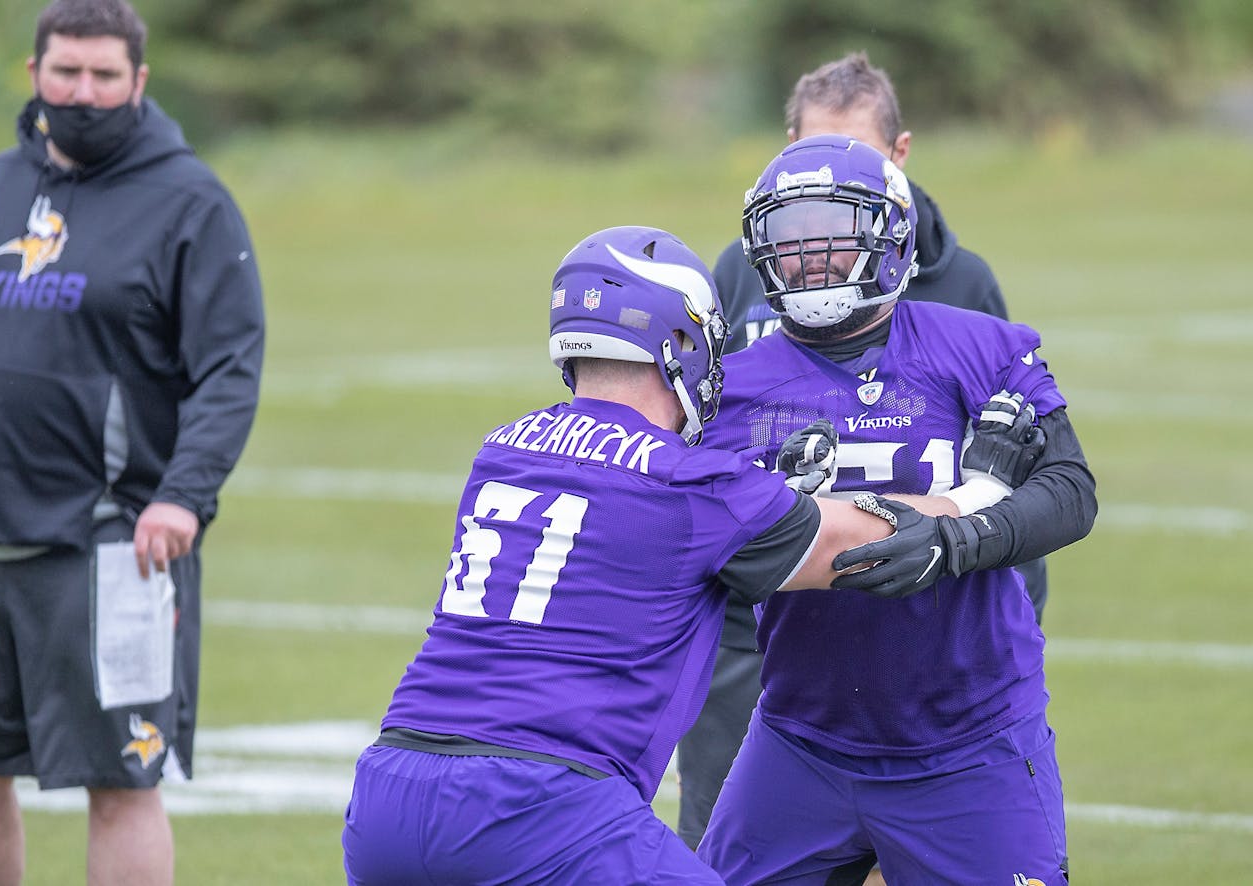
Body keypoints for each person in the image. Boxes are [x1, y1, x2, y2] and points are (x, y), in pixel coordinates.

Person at [338, 224, 1017, 884]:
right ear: (681, 344)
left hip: (389, 795)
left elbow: (618, 536)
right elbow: (859, 539)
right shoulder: (691, 482)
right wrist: (976, 493)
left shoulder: (503, 451)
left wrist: (764, 496)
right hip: (538, 802)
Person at [0, 1, 264, 883]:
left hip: (109, 545)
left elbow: (231, 370)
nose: (82, 93)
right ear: (33, 72)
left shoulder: (189, 202)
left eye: (103, 76)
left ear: (139, 83)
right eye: (66, 73)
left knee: (120, 783)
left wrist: (182, 494)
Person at [693, 135, 1096, 885]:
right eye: (790, 240)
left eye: (833, 238)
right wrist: (970, 495)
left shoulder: (980, 347)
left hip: (971, 738)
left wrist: (960, 540)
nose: (810, 260)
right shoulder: (727, 391)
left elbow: (1071, 491)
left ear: (890, 237)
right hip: (801, 735)